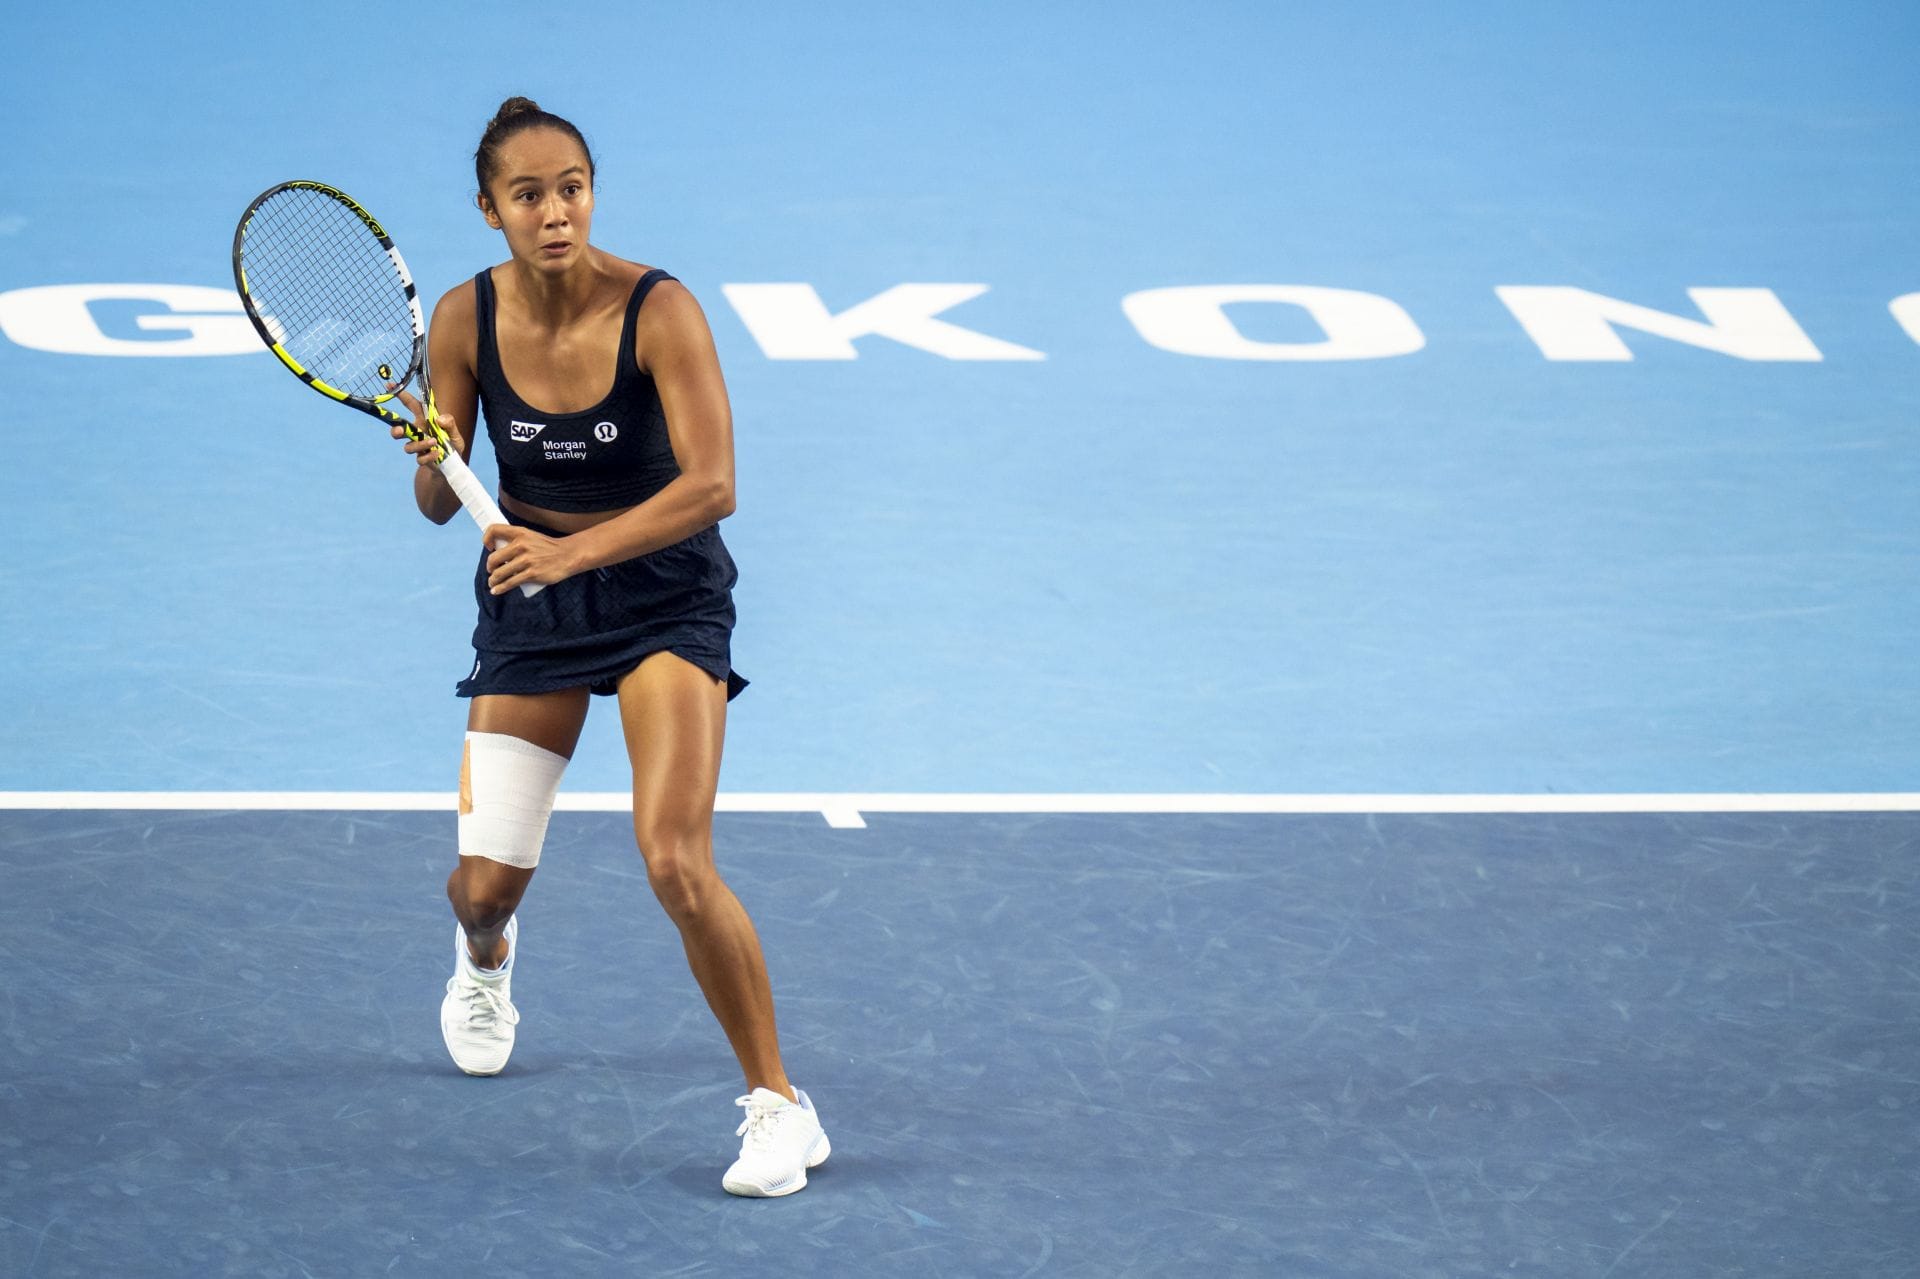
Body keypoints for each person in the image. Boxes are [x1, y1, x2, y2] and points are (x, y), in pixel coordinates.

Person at [388, 95, 827, 1198]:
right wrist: (433, 452)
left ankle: (779, 1105)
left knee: (675, 857)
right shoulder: (461, 321)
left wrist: (570, 555)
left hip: (662, 601)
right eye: (528, 194)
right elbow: (439, 505)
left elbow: (714, 485)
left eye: (572, 186)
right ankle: (485, 961)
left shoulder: (660, 310)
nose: (556, 212)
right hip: (530, 612)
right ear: (489, 210)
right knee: (482, 889)